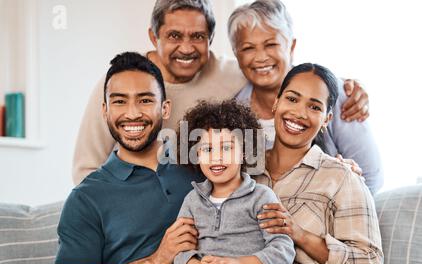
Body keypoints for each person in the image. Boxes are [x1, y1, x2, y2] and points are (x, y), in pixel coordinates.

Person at [72, 0, 370, 186]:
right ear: (153, 36)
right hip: (139, 199)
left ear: (211, 39)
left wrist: (343, 85)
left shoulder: (234, 74)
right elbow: (86, 168)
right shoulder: (121, 86)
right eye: (174, 36)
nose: (186, 48)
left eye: (198, 37)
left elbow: (283, 71)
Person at [54, 52, 204, 264]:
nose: (132, 114)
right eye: (119, 102)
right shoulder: (86, 197)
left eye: (145, 100)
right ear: (105, 111)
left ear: (165, 109)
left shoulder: (200, 165)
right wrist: (155, 261)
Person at [253, 63, 398, 264]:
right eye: (292, 99)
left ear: (326, 119)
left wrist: (300, 234)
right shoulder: (246, 174)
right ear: (275, 103)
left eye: (314, 106)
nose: (299, 113)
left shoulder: (341, 175)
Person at [229, 0, 383, 194]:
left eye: (271, 44)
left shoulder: (336, 95)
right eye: (248, 48)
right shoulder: (232, 115)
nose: (261, 57)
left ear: (291, 46)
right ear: (236, 54)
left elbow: (371, 176)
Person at [157, 101, 295, 264]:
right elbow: (180, 252)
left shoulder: (261, 196)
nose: (217, 158)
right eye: (207, 149)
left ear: (245, 151)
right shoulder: (193, 200)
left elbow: (282, 249)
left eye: (227, 148)